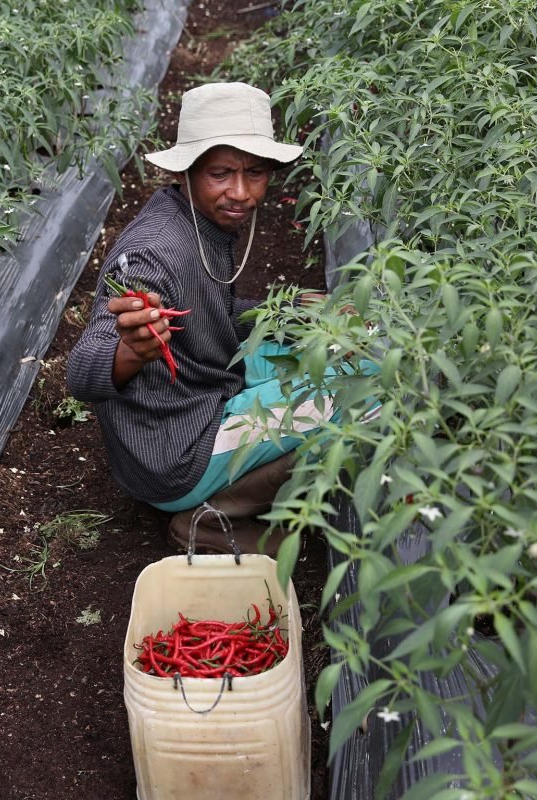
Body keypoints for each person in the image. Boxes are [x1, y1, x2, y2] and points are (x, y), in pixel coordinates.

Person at [67, 81, 324, 555]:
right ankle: (212, 519)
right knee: (355, 393)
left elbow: (217, 314)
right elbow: (83, 371)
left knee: (329, 348)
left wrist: (292, 310)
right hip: (177, 451)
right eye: (220, 174)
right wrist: (130, 351)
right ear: (184, 172)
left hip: (197, 400)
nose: (241, 193)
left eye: (255, 173)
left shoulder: (200, 221)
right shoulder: (153, 254)